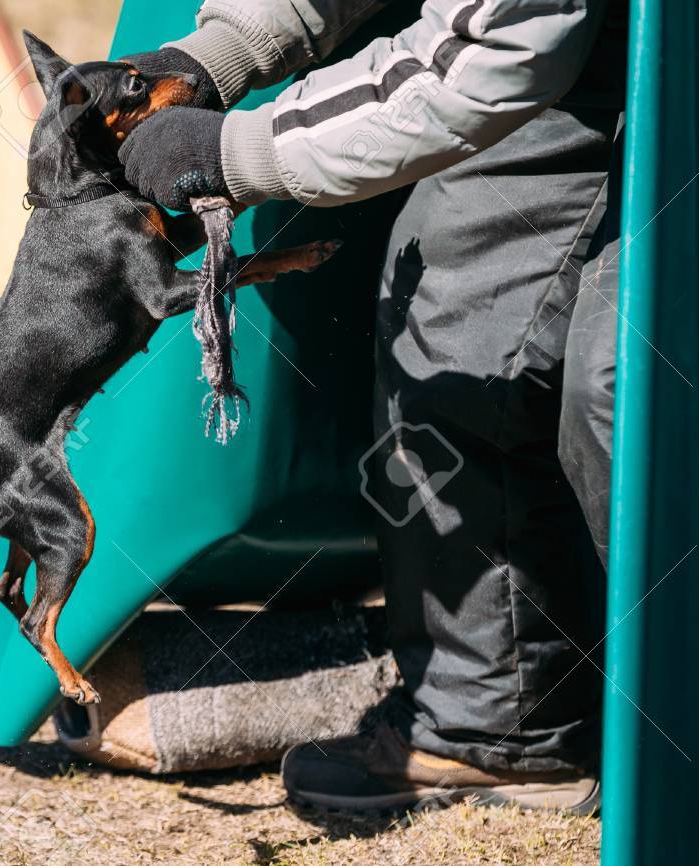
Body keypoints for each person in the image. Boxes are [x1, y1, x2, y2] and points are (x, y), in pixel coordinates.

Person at [120, 0, 627, 814]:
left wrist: (241, 151)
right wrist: (219, 52)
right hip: (562, 54)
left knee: (626, 380)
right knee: (457, 316)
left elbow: (501, 50)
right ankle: (498, 736)